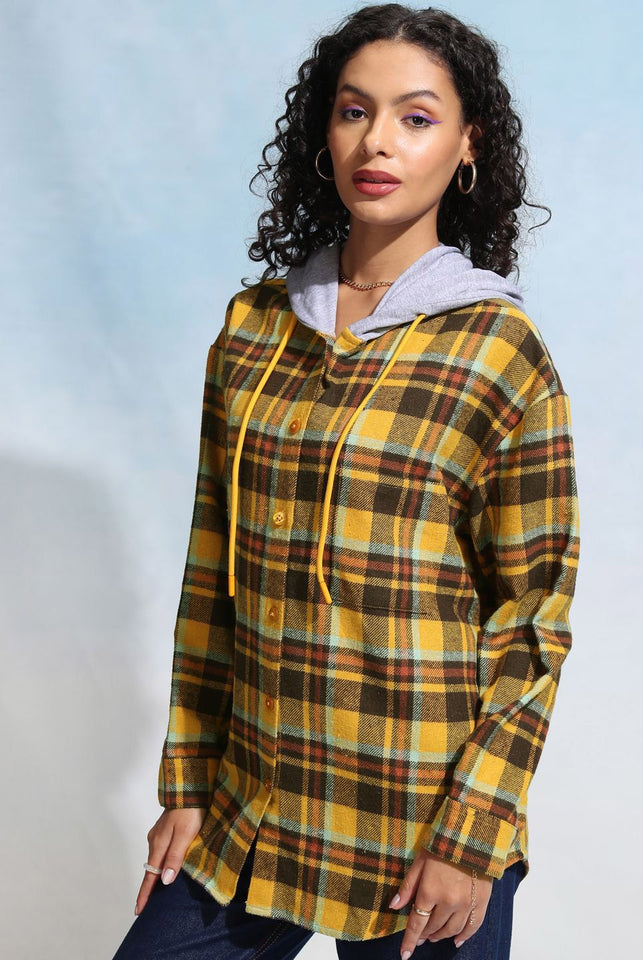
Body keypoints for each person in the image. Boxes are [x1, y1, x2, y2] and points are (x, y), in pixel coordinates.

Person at [111, 4, 580, 959]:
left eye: (417, 117)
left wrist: (471, 835)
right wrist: (189, 785)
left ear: (467, 145)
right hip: (253, 807)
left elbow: (532, 620)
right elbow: (211, 577)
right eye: (354, 110)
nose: (378, 141)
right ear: (322, 133)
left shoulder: (499, 349)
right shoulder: (254, 328)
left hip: (419, 824)